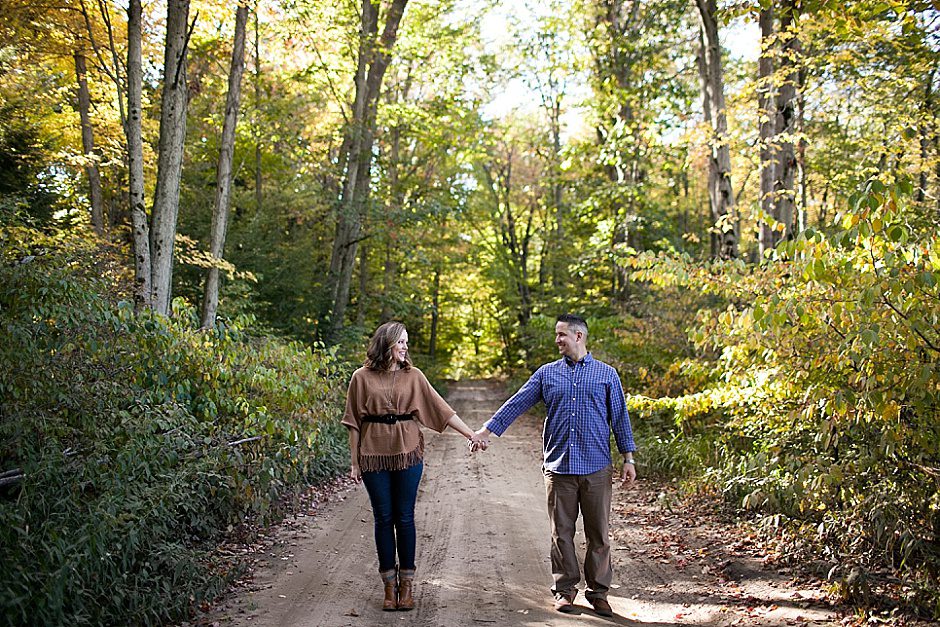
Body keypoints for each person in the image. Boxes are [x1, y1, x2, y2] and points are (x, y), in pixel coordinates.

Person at [475, 313, 636, 617]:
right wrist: (487, 430)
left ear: (578, 336)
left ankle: (599, 592)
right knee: (561, 532)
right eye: (556, 334)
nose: (557, 340)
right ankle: (565, 591)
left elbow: (620, 419)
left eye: (562, 334)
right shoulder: (547, 374)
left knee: (598, 533)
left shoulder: (606, 375)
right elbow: (518, 402)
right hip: (559, 467)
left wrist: (628, 458)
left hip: (597, 467)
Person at [342, 321, 486, 611]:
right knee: (384, 518)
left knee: (404, 517)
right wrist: (355, 462)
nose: (406, 347)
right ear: (387, 344)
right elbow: (353, 423)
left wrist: (471, 433)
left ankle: (407, 585)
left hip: (408, 451)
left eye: (407, 342)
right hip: (373, 453)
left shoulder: (414, 376)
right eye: (401, 342)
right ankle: (389, 585)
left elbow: (441, 409)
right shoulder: (361, 377)